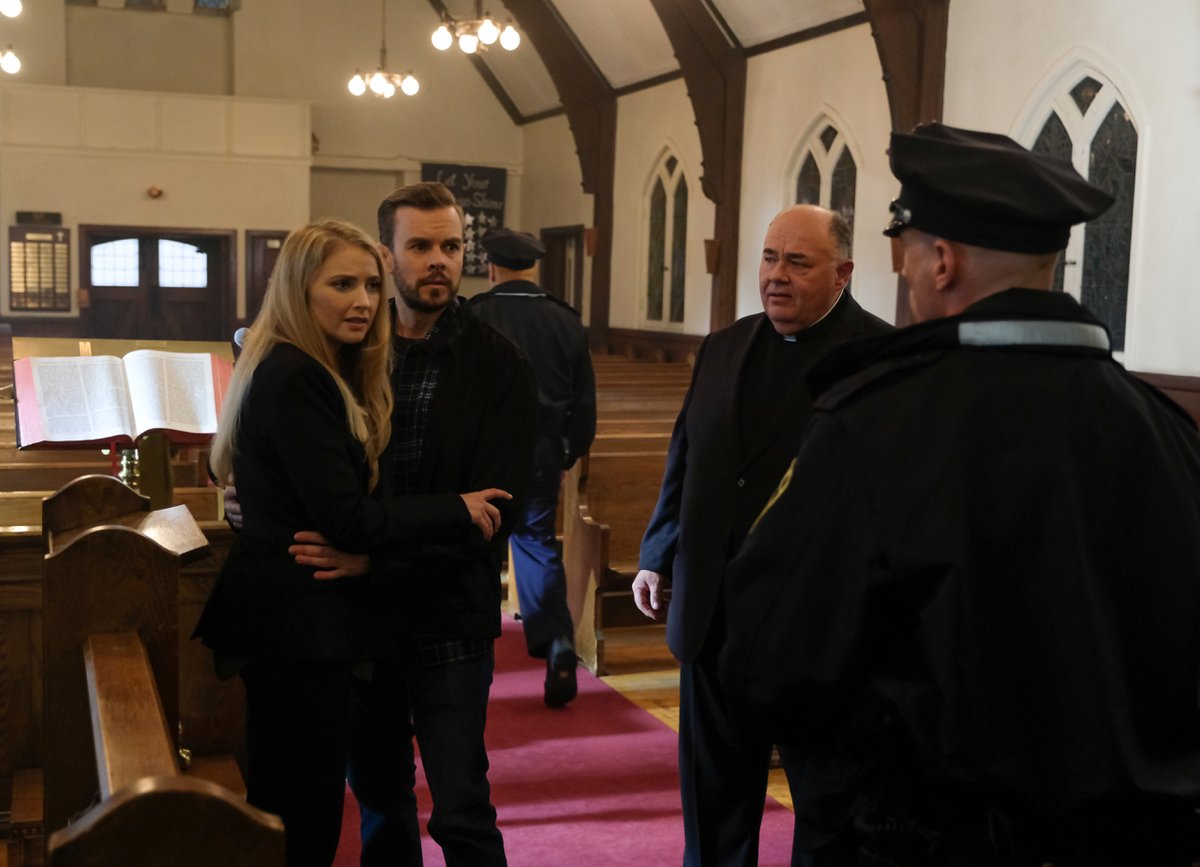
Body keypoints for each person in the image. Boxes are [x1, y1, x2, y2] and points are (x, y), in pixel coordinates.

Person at [720, 123, 1200, 866]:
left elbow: (769, 657)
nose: (905, 270)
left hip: (929, 838)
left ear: (941, 261)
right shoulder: (1166, 429)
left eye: (905, 250)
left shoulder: (875, 423)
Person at [195, 219, 512, 867]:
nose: (364, 301)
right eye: (342, 284)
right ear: (298, 290)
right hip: (298, 629)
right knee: (301, 823)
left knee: (307, 812)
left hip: (315, 626)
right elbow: (349, 520)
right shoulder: (298, 375)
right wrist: (456, 507)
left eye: (370, 285)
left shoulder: (316, 367)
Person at [631, 204, 892, 866]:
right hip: (713, 614)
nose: (777, 275)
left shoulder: (881, 360)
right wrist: (658, 553)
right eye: (770, 258)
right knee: (714, 810)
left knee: (830, 819)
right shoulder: (723, 347)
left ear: (843, 273)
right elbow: (687, 456)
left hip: (820, 631)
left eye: (798, 262)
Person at [287, 182, 537, 866]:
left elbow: (495, 514)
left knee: (461, 807)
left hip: (449, 613)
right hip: (361, 615)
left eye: (451, 246)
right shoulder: (344, 353)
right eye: (420, 246)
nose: (439, 261)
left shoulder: (499, 363)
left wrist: (378, 561)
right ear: (386, 255)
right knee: (379, 798)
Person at [469, 226, 597, 707]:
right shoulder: (565, 320)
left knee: (478, 542)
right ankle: (557, 640)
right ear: (534, 268)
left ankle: (472, 656)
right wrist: (567, 454)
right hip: (543, 451)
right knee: (536, 541)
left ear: (492, 268)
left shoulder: (474, 314)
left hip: (485, 451)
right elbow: (584, 405)